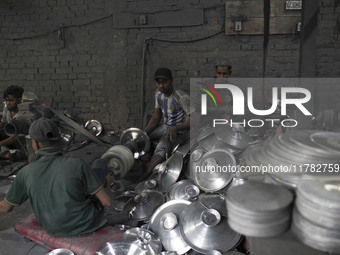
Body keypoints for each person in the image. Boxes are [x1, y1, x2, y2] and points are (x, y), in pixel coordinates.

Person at [0, 118, 127, 236]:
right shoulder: (77, 164)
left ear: (35, 144)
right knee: (100, 164)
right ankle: (106, 219)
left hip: (52, 228)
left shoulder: (24, 173)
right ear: (59, 140)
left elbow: (5, 208)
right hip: (87, 224)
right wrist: (107, 184)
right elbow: (107, 202)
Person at [143, 67, 193, 179]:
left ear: (171, 81)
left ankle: (146, 174)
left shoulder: (181, 97)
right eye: (158, 83)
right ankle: (142, 162)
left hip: (181, 130)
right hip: (166, 126)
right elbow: (156, 117)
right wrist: (143, 133)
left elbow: (195, 119)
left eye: (164, 82)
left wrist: (177, 128)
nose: (161, 86)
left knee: (163, 145)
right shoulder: (158, 94)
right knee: (144, 138)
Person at [0, 85, 27, 161]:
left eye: (11, 100)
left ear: (19, 100)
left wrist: (1, 143)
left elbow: (17, 137)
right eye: (6, 100)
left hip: (22, 140)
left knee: (25, 153)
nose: (8, 103)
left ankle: (7, 155)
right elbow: (2, 122)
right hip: (11, 135)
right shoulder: (7, 109)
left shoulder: (24, 114)